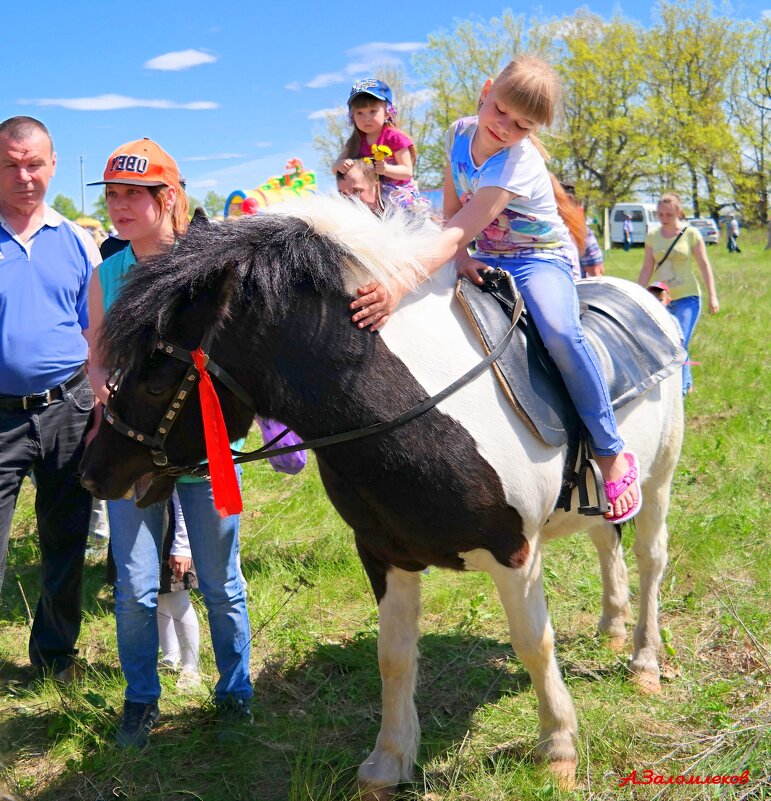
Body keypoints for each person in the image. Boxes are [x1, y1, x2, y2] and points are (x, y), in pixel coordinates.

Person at [350, 54, 642, 525]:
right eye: (501, 111)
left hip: (536, 259)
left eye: (523, 126)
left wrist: (399, 281)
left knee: (560, 331)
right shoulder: (459, 131)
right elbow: (451, 204)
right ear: (486, 91)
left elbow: (456, 229)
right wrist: (462, 257)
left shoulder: (517, 165)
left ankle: (610, 451)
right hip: (480, 249)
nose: (505, 127)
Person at [86, 138, 252, 749]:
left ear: (168, 197)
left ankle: (235, 692)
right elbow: (97, 359)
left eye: (134, 194)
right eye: (113, 195)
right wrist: (107, 390)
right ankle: (140, 698)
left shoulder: (204, 269)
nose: (120, 206)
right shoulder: (108, 272)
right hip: (133, 450)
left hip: (202, 447)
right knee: (132, 588)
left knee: (219, 580)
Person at [0, 116, 100, 682]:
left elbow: (94, 331)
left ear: (53, 164)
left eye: (33, 163)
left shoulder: (77, 240)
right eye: (11, 164)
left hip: (69, 410)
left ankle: (55, 658)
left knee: (65, 542)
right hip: (1, 417)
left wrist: (99, 403)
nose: (24, 175)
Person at [638, 192, 719, 395]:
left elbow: (704, 265)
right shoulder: (652, 236)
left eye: (668, 214)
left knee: (679, 341)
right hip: (661, 298)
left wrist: (713, 295)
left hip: (688, 297)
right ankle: (688, 381)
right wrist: (638, 293)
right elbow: (647, 267)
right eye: (660, 214)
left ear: (678, 213)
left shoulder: (691, 234)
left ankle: (680, 392)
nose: (664, 218)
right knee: (670, 341)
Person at [331, 79, 421, 208]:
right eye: (359, 113)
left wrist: (386, 169)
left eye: (373, 111)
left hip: (398, 194)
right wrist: (339, 165)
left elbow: (407, 171)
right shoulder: (355, 141)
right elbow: (335, 169)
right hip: (369, 195)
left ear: (387, 112)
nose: (366, 118)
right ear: (352, 117)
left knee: (402, 219)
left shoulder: (395, 138)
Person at [156, 490, 201, 691]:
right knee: (158, 598)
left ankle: (190, 667)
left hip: (170, 534)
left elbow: (180, 496)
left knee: (177, 599)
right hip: (150, 532)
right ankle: (170, 655)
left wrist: (182, 545)